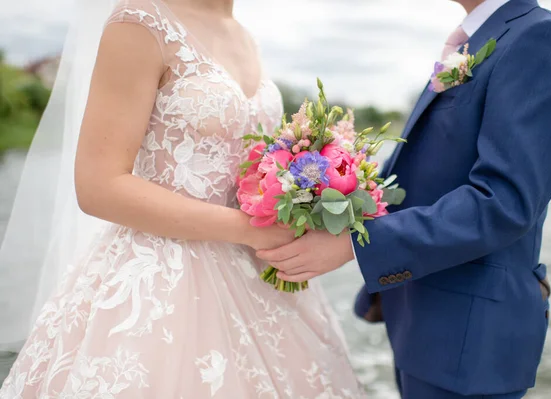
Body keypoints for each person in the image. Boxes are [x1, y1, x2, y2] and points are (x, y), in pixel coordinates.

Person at [0, 0, 364, 397]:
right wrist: (250, 229)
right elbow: (99, 186)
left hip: (260, 273)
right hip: (164, 276)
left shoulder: (241, 32)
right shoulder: (139, 22)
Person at [258, 0, 551, 398]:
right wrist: (323, 202)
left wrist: (354, 245)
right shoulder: (479, 38)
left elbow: (503, 203)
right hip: (424, 323)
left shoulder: (542, 40)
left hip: (469, 343)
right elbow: (428, 170)